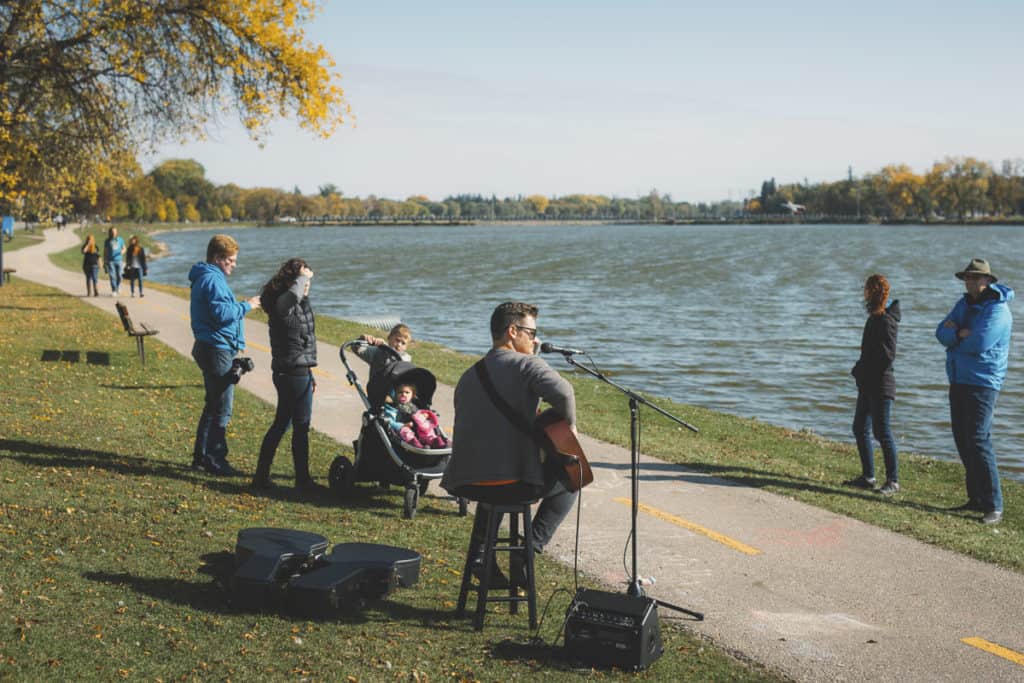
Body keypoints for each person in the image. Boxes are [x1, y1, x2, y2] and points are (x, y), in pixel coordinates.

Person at [441, 301, 577, 587]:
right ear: (512, 331)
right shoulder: (527, 365)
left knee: (493, 482)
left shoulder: (469, 375)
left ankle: (481, 555)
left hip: (467, 482)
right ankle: (529, 550)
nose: (536, 339)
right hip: (512, 482)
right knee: (574, 476)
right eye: (531, 332)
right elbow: (564, 392)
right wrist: (571, 430)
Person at [936, 258, 1014, 525]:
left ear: (987, 281)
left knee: (979, 439)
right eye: (967, 278)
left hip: (983, 382)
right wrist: (960, 334)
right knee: (962, 438)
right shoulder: (963, 305)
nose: (969, 282)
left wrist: (956, 336)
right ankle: (976, 498)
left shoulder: (998, 311)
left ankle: (994, 505)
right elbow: (940, 332)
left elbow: (980, 343)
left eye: (974, 278)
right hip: (958, 378)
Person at [189, 234, 261, 476]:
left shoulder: (208, 278)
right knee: (221, 407)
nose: (234, 264)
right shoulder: (212, 280)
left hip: (212, 347)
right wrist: (247, 305)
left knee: (212, 405)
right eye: (230, 260)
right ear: (218, 258)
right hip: (216, 349)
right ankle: (215, 459)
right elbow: (221, 313)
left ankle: (202, 458)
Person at [253, 258, 322, 491]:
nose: (307, 285)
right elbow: (291, 297)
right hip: (291, 372)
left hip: (297, 370)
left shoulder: (296, 303)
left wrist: (310, 374)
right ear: (293, 282)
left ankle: (262, 477)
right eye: (303, 281)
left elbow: (301, 343)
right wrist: (303, 276)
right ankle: (302, 481)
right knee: (299, 426)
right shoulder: (284, 303)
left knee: (283, 423)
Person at [847, 274, 901, 494]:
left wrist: (862, 369)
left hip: (881, 385)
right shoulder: (874, 317)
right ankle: (868, 476)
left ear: (875, 292)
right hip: (868, 384)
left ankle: (893, 481)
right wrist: (860, 371)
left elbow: (887, 356)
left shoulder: (886, 320)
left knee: (882, 432)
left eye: (867, 288)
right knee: (860, 428)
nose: (864, 292)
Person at [102, 227, 125, 296]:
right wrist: (104, 260)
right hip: (110, 261)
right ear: (109, 233)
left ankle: (118, 287)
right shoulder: (107, 241)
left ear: (116, 232)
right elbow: (105, 251)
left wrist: (122, 252)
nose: (113, 233)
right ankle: (114, 290)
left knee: (120, 276)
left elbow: (124, 248)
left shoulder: (120, 239)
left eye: (115, 232)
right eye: (112, 232)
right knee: (112, 276)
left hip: (119, 260)